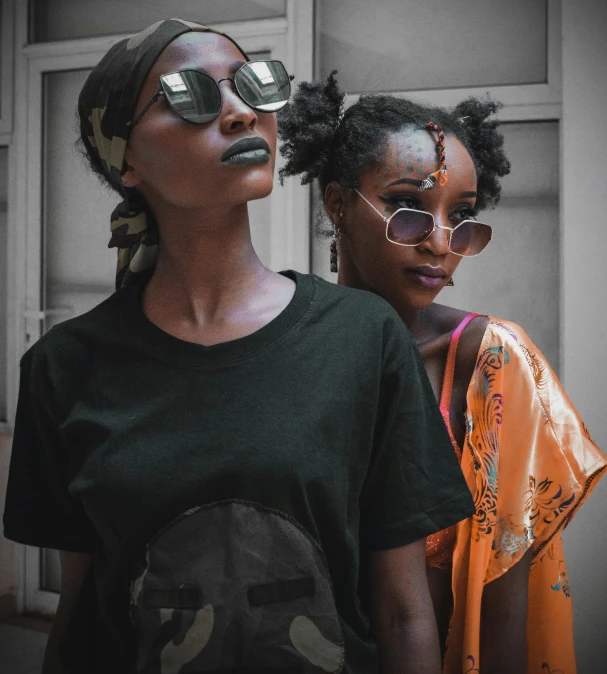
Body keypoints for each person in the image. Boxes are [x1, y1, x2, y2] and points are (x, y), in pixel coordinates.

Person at [2, 20, 476, 674]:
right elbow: (81, 614)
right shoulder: (65, 367)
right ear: (127, 158)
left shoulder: (363, 339)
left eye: (253, 85)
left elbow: (403, 612)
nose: (238, 111)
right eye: (189, 96)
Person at [277, 72, 607, 674]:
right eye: (407, 208)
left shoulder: (492, 362)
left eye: (462, 217)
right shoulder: (285, 346)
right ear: (337, 205)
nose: (439, 243)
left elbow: (505, 600)